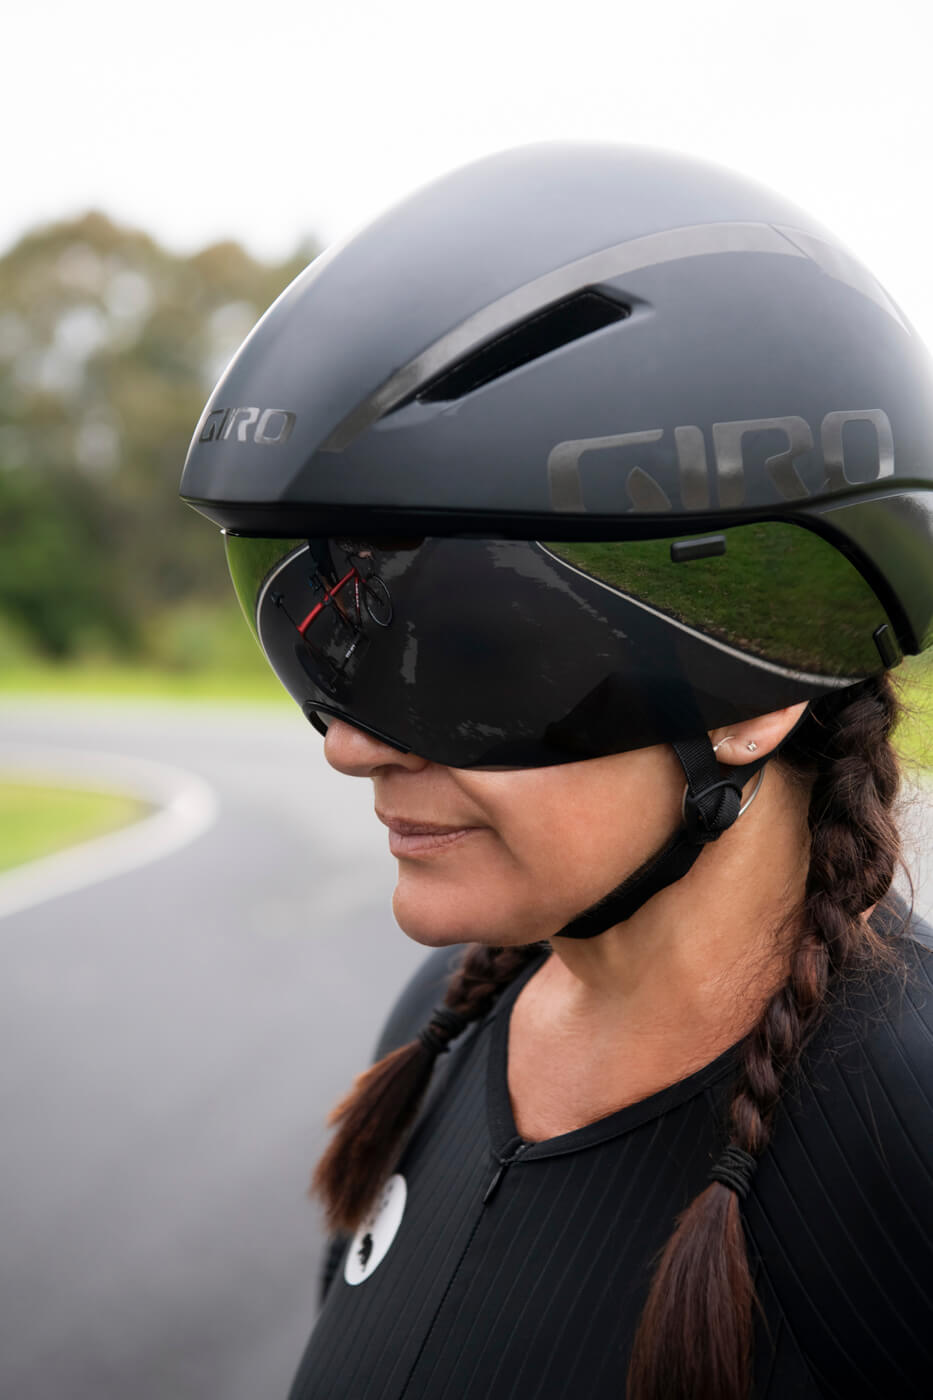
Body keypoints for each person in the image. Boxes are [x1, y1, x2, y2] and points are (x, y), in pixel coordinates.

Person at [180, 144, 933, 1398]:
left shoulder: (906, 1130)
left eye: (465, 654)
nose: (349, 740)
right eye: (313, 624)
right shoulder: (445, 1017)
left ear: (753, 682)